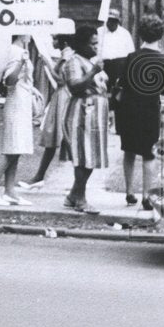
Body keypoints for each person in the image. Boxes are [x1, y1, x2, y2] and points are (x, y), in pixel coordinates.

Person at [119, 14, 164, 209]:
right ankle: (147, 197)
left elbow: (123, 84)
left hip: (129, 110)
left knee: (129, 151)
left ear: (140, 34)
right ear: (160, 35)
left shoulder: (131, 57)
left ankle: (129, 192)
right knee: (149, 154)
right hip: (150, 111)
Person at [20, 22, 76, 189]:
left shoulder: (68, 57)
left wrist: (46, 62)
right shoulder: (66, 55)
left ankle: (76, 183)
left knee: (65, 138)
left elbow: (60, 80)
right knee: (55, 138)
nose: (52, 42)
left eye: (54, 39)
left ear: (63, 41)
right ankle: (40, 176)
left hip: (64, 96)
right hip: (60, 96)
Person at [0, 35, 35, 207]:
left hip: (24, 101)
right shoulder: (15, 51)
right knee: (10, 148)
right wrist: (21, 62)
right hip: (16, 103)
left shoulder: (22, 50)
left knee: (17, 148)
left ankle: (10, 190)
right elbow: (9, 81)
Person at [64, 25, 110, 214]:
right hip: (82, 113)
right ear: (82, 44)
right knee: (84, 157)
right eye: (92, 43)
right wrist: (93, 73)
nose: (96, 47)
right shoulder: (73, 61)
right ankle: (80, 199)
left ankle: (73, 195)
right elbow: (74, 86)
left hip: (96, 115)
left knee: (92, 157)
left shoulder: (90, 61)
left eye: (97, 43)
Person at [97, 7, 135, 93]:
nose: (111, 22)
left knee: (118, 95)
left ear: (118, 21)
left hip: (119, 68)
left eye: (114, 20)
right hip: (103, 67)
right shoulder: (99, 32)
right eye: (109, 20)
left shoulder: (125, 33)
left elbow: (131, 54)